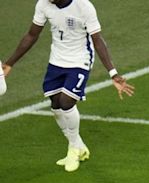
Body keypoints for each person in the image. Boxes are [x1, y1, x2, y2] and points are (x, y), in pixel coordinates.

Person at [2, 0, 134, 172]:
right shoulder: (43, 4)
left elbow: (98, 41)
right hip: (56, 60)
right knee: (55, 104)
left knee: (66, 102)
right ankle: (79, 146)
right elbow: (31, 35)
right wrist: (10, 63)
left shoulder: (83, 6)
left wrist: (113, 73)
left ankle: (73, 148)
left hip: (80, 60)